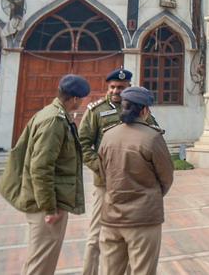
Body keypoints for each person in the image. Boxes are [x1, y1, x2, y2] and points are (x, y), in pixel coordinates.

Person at [0, 74, 91, 275]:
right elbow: (41, 168)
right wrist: (49, 208)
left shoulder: (52, 114)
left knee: (39, 261)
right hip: (45, 205)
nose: (82, 103)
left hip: (45, 201)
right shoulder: (54, 121)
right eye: (82, 99)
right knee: (41, 264)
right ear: (75, 99)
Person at [77, 67, 159, 275]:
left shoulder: (139, 108)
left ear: (129, 87)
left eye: (120, 87)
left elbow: (154, 134)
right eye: (112, 87)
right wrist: (100, 168)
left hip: (133, 184)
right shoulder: (96, 111)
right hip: (106, 185)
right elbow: (83, 144)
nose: (115, 91)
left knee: (133, 235)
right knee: (96, 236)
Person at [97, 86, 174, 275]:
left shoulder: (108, 136)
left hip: (112, 216)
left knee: (109, 271)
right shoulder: (152, 137)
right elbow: (166, 177)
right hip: (143, 218)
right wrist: (151, 195)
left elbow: (103, 174)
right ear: (145, 110)